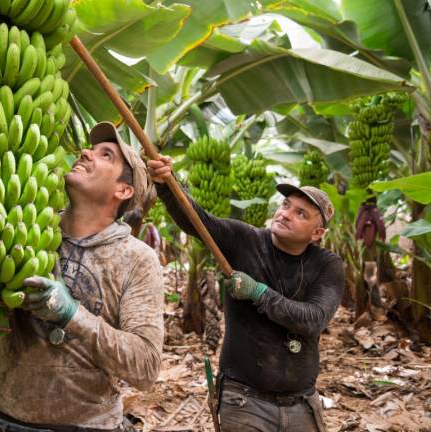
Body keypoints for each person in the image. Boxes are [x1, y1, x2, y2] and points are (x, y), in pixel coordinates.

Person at [0, 94, 165, 432]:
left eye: (105, 155)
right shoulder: (24, 225)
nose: (85, 153)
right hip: (2, 421)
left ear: (123, 191)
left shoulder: (136, 260)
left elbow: (145, 368)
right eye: (91, 148)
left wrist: (72, 315)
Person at [147, 155, 344, 432]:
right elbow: (197, 221)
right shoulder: (245, 239)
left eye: (301, 213)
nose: (285, 213)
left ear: (317, 233)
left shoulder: (327, 265)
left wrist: (258, 292)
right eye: (286, 205)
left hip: (301, 404)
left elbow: (314, 319)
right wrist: (167, 185)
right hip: (244, 401)